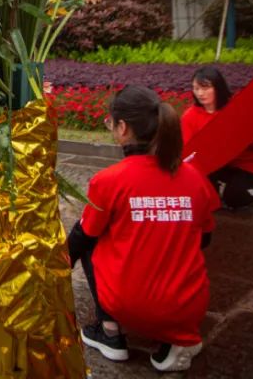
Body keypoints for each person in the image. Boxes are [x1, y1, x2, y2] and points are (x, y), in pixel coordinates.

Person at [70, 85, 219, 373]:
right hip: (188, 305)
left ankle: (110, 331)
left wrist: (59, 264)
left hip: (127, 304)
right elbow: (204, 239)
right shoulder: (195, 178)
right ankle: (177, 339)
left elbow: (83, 235)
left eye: (111, 123)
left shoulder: (109, 180)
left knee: (91, 235)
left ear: (123, 128)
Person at [180, 67, 253, 211]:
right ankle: (215, 188)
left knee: (234, 198)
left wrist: (242, 132)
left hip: (246, 165)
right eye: (196, 88)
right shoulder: (190, 116)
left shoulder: (238, 110)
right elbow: (188, 150)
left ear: (218, 87)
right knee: (205, 198)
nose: (200, 93)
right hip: (214, 164)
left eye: (205, 87)